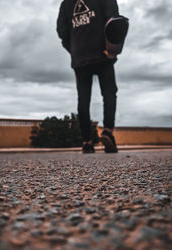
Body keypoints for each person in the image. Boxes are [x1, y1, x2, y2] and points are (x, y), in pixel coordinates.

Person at [57, 0, 119, 153]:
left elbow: (61, 30)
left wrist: (74, 49)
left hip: (80, 57)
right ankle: (108, 132)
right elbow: (114, 21)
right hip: (103, 53)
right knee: (109, 93)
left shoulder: (66, 3)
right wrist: (112, 48)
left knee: (83, 99)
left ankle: (86, 142)